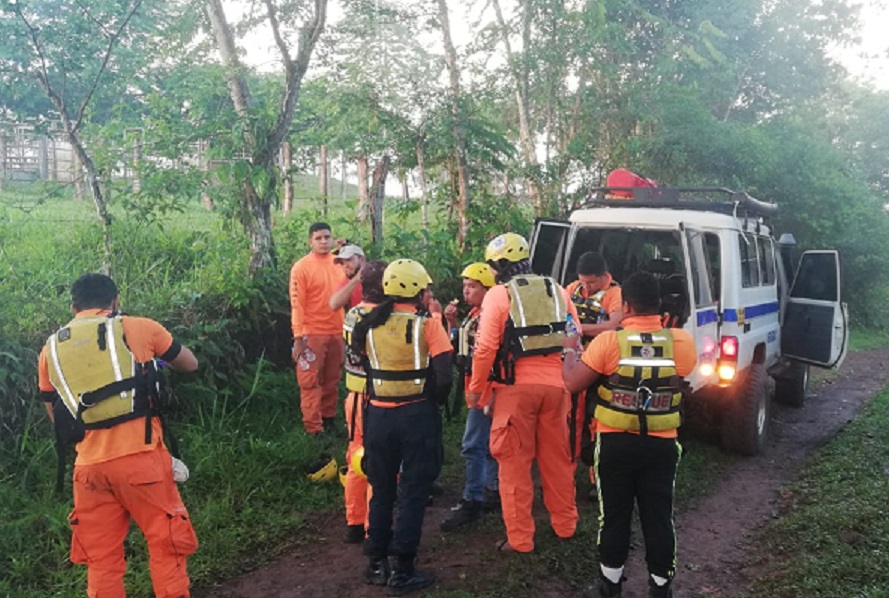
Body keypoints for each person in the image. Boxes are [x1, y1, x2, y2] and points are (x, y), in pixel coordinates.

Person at [37, 273, 200, 598]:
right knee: (167, 545)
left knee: (102, 560)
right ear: (115, 301)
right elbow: (190, 364)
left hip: (88, 470)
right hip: (142, 461)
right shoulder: (138, 327)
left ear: (73, 306)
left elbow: (54, 411)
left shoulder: (50, 349)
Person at [561, 272, 697, 598]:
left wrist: (569, 350)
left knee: (615, 517)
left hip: (614, 444)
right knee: (659, 516)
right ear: (660, 305)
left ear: (627, 306)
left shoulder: (609, 343)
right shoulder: (681, 342)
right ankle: (661, 587)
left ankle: (609, 585)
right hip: (662, 445)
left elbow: (573, 383)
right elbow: (682, 373)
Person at [466, 233, 579, 554]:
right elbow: (575, 332)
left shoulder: (499, 296)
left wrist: (477, 390)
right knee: (557, 461)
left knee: (515, 467)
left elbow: (486, 347)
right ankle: (565, 526)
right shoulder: (557, 290)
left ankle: (520, 540)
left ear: (499, 266)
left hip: (515, 390)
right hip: (557, 388)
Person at [351, 259, 453, 596]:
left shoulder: (366, 324)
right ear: (417, 291)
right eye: (426, 289)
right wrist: (433, 402)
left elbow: (362, 363)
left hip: (377, 417)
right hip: (416, 416)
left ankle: (376, 563)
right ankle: (404, 569)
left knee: (382, 489)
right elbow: (444, 376)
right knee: (413, 491)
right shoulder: (427, 325)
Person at [440, 262, 500, 531]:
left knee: (473, 444)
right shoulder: (476, 313)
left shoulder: (491, 315)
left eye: (472, 286)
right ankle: (492, 490)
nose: (466, 292)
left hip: (486, 390)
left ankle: (473, 499)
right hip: (477, 387)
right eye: (464, 286)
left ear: (488, 289)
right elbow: (460, 347)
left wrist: (480, 391)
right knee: (487, 445)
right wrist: (451, 322)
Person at [564, 252, 623, 485]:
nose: (586, 287)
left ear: (605, 276)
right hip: (575, 361)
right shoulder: (572, 288)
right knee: (570, 419)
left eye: (591, 282)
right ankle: (567, 469)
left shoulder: (614, 293)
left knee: (596, 420)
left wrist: (576, 329)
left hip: (602, 363)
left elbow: (611, 326)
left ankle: (595, 478)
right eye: (583, 281)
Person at [341, 260, 388, 544]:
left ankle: (354, 521)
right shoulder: (382, 317)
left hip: (353, 396)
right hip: (377, 397)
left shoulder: (353, 313)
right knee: (378, 464)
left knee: (355, 457)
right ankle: (374, 526)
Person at [290, 222, 347, 436]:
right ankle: (313, 429)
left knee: (332, 380)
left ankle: (328, 419)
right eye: (318, 238)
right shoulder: (301, 267)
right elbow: (298, 304)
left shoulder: (339, 263)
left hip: (337, 332)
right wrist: (298, 337)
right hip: (311, 333)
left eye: (327, 237)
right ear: (310, 241)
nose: (323, 241)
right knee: (310, 382)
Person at [330, 244, 367, 311]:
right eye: (342, 263)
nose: (345, 266)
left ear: (361, 259)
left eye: (348, 260)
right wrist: (356, 280)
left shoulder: (378, 274)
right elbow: (334, 305)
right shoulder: (347, 283)